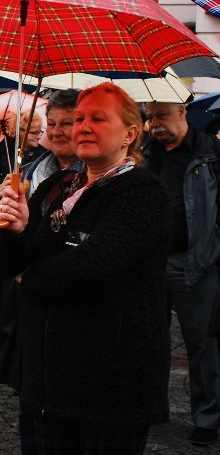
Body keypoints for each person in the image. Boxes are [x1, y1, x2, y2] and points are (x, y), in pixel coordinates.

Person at [0, 83, 170, 453]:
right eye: (81, 119)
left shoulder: (143, 193)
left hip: (110, 384)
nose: (82, 127)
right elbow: (3, 263)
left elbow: (91, 266)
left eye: (98, 119)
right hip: (47, 379)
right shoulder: (59, 185)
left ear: (130, 134)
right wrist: (16, 229)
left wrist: (30, 276)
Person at [144, 101, 220, 446]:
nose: (154, 123)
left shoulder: (210, 153)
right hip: (150, 262)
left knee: (202, 343)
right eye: (150, 116)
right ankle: (151, 406)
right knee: (149, 339)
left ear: (182, 112)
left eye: (161, 114)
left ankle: (207, 417)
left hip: (196, 261)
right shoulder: (146, 153)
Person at [0, 111, 48, 293]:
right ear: (20, 132)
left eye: (40, 132)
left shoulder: (43, 156)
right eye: (34, 132)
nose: (39, 136)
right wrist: (2, 184)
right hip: (1, 208)